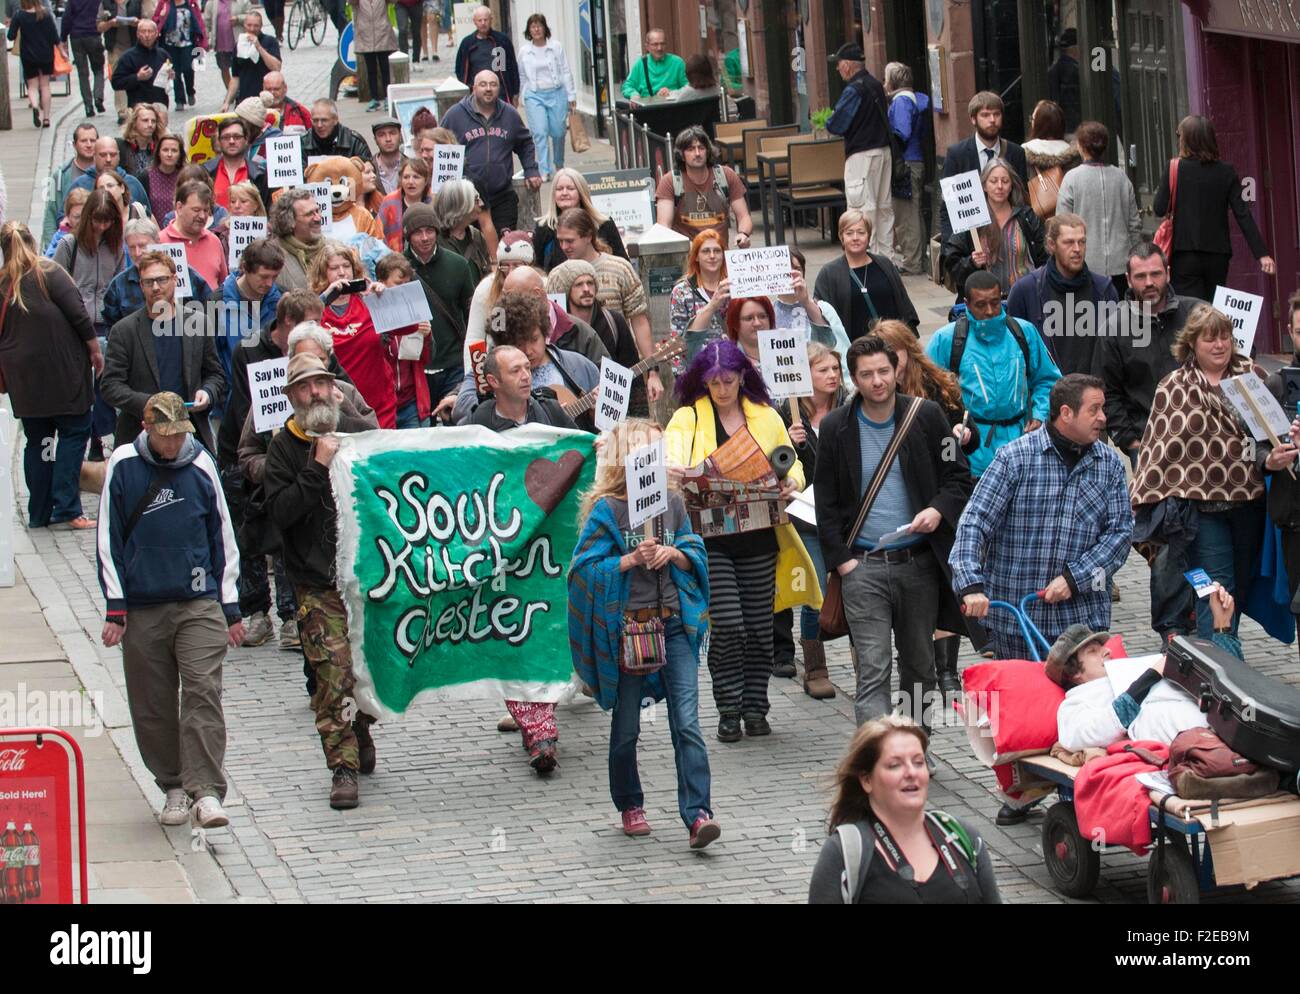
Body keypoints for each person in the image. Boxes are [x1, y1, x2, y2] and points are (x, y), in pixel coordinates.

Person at [569, 418, 720, 847]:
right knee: (628, 727)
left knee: (687, 722)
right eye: (650, 452)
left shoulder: (671, 503)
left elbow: (695, 550)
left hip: (674, 625)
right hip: (630, 632)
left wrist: (676, 552)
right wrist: (630, 560)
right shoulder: (608, 510)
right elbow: (583, 572)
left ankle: (698, 813)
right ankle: (630, 802)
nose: (660, 459)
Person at [97, 391, 244, 829]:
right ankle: (173, 784)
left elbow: (222, 533)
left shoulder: (200, 464)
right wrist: (115, 605)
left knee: (202, 692)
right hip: (143, 604)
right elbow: (108, 538)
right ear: (147, 430)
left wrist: (230, 606)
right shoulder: (123, 465)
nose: (172, 444)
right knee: (153, 702)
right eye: (165, 437)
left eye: (179, 435)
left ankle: (207, 792)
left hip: (198, 601)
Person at [813, 333, 976, 728]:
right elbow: (826, 501)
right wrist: (843, 562)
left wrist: (938, 510)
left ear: (896, 371)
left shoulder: (928, 417)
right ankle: (875, 752)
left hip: (917, 562)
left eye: (883, 371)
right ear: (854, 379)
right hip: (863, 566)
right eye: (866, 374)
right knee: (873, 666)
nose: (877, 381)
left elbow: (958, 476)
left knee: (920, 666)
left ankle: (915, 745)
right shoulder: (837, 427)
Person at [664, 339, 815, 741]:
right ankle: (728, 708)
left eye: (729, 380)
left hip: (761, 536)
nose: (722, 389)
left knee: (760, 628)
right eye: (714, 382)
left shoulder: (765, 416)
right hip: (710, 540)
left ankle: (755, 708)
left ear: (742, 377)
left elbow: (793, 463)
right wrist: (677, 470)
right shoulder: (687, 417)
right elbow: (671, 455)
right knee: (729, 626)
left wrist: (791, 482)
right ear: (703, 381)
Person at [262, 353, 380, 809]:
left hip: (366, 580)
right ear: (292, 397)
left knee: (367, 670)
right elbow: (281, 513)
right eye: (306, 387)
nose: (316, 394)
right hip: (316, 583)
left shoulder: (353, 434)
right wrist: (316, 467)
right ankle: (342, 766)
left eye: (323, 384)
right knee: (332, 674)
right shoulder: (283, 448)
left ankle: (362, 727)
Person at [951, 373, 1132, 660]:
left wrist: (1074, 579)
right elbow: (974, 521)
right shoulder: (1014, 457)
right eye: (1094, 409)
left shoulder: (1108, 464)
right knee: (1024, 702)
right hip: (1017, 622)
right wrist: (970, 584)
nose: (1103, 418)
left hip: (1082, 621)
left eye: (1103, 409)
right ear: (1066, 413)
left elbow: (1120, 534)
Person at [1132, 303, 1273, 639]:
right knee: (1215, 588)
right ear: (1192, 342)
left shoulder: (1253, 377)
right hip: (1202, 511)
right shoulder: (1174, 386)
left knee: (1238, 587)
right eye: (1210, 338)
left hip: (1250, 503)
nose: (1219, 345)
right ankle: (1217, 667)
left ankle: (1228, 654)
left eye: (1224, 337)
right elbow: (1159, 447)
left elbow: (1269, 433)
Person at [875, 319, 982, 695]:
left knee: (945, 579)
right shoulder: (875, 393)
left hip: (941, 495)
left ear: (907, 351)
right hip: (900, 497)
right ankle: (916, 660)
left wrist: (960, 436)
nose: (890, 365)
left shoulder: (938, 386)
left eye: (895, 356)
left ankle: (946, 667)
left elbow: (960, 447)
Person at [808, 716, 1001, 904]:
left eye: (918, 762)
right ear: (866, 780)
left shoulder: (961, 836)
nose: (911, 772)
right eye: (895, 765)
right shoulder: (845, 852)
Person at [0, 221, 102, 530]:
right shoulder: (49, 272)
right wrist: (95, 351)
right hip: (63, 374)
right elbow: (79, 314)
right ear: (32, 242)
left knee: (39, 441)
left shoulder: (3, 283)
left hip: (24, 380)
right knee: (73, 433)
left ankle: (39, 512)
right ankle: (68, 507)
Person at [1046, 598, 1244, 752]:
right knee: (1151, 717)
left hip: (1227, 714)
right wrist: (1150, 676)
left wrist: (1222, 627)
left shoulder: (1130, 669)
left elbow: (1228, 679)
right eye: (1092, 652)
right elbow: (1093, 732)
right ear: (1073, 673)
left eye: (1101, 648)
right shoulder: (1075, 704)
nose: (1106, 652)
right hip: (1206, 734)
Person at [924, 272, 1059, 480]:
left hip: (1020, 445)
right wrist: (951, 434)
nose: (989, 311)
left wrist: (1040, 415)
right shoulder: (946, 339)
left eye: (995, 303)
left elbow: (1048, 380)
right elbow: (927, 392)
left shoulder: (1024, 332)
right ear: (967, 304)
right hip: (970, 452)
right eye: (981, 305)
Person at [101, 249, 225, 453]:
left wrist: (207, 393)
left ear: (175, 280)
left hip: (190, 433)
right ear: (141, 286)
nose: (156, 287)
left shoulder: (198, 323)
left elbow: (215, 375)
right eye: (149, 282)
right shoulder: (124, 331)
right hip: (139, 436)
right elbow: (111, 386)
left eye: (162, 280)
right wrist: (151, 405)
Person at [1153, 115, 1275, 301]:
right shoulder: (1227, 171)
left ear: (1186, 139)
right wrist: (1262, 253)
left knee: (1189, 310)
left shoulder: (1174, 168)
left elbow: (1159, 209)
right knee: (1213, 310)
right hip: (1218, 255)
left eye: (1179, 135)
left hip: (1184, 253)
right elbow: (1243, 214)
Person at [784, 341, 844, 699]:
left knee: (854, 588)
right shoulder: (789, 416)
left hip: (844, 514)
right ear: (805, 376)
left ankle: (858, 656)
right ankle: (815, 666)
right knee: (816, 589)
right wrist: (790, 444)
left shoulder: (850, 410)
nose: (833, 376)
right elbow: (778, 464)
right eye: (824, 370)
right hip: (806, 517)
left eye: (835, 369)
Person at [555, 207, 662, 404]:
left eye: (570, 240)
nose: (564, 246)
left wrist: (652, 372)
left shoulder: (619, 268)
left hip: (617, 360)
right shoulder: (557, 275)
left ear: (588, 236)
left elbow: (639, 321)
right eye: (560, 241)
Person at [450, 288, 598, 426]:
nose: (528, 351)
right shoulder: (489, 369)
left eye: (534, 339)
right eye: (518, 343)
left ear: (545, 333)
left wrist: (595, 414)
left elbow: (610, 422)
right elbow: (462, 408)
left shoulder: (579, 365)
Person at [1007, 213, 1119, 376]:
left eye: (1082, 242)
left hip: (1094, 391)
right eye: (1068, 242)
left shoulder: (1103, 289)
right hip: (1046, 393)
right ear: (1051, 245)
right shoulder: (1025, 291)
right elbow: (1015, 353)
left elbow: (1114, 351)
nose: (1077, 249)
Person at [441, 70, 541, 233]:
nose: (488, 88)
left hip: (502, 196)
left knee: (505, 247)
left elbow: (525, 143)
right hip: (467, 198)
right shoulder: (455, 115)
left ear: (499, 89)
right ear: (473, 88)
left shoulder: (510, 115)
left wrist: (531, 169)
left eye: (493, 85)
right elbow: (441, 147)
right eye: (483, 84)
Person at [312, 243, 397, 429]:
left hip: (379, 405)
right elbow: (299, 329)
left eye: (346, 266)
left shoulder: (368, 301)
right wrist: (325, 298)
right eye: (334, 268)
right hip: (338, 407)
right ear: (322, 273)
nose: (342, 273)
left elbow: (409, 327)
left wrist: (387, 300)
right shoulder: (316, 309)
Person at [401, 203, 476, 414]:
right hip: (414, 368)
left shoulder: (458, 265)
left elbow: (470, 314)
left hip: (453, 364)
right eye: (418, 232)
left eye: (430, 230)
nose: (425, 237)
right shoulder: (397, 267)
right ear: (408, 235)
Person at [941, 158, 1046, 305]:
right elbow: (951, 262)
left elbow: (1044, 256)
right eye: (993, 181)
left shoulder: (1026, 217)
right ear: (984, 185)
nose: (1000, 186)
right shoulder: (972, 220)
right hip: (986, 303)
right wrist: (971, 262)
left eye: (1005, 181)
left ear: (1011, 186)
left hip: (1025, 299)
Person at [546, 259, 644, 416]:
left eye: (590, 283)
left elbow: (631, 369)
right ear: (566, 290)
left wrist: (637, 418)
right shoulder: (557, 328)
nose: (586, 289)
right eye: (578, 285)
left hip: (611, 411)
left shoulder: (613, 321)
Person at [826, 43, 894, 260]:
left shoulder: (855, 89)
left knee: (862, 209)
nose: (838, 69)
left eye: (839, 65)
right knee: (883, 207)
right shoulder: (875, 84)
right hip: (883, 152)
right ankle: (886, 257)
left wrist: (829, 119)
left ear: (847, 65)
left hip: (862, 156)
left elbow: (836, 124)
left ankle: (867, 260)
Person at [1056, 122, 1140, 297]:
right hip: (1121, 263)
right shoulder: (1121, 178)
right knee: (1121, 320)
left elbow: (1061, 223)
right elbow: (1134, 224)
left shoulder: (1071, 179)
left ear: (1080, 146)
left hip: (1084, 263)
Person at [938, 91, 1028, 244]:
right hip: (971, 241)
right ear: (973, 119)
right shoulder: (956, 155)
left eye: (996, 114)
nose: (992, 120)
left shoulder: (1016, 153)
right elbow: (948, 206)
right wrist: (950, 248)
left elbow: (1022, 200)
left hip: (1009, 237)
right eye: (985, 115)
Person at [813, 209, 919, 336]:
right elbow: (822, 318)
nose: (855, 238)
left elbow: (904, 306)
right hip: (854, 349)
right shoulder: (829, 274)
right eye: (849, 233)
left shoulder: (885, 265)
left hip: (890, 345)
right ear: (842, 237)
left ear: (869, 236)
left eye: (861, 232)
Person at [102, 217, 211, 326]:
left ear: (157, 242)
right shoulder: (118, 285)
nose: (137, 252)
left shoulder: (187, 275)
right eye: (132, 247)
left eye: (142, 245)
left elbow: (210, 308)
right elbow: (113, 329)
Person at [654, 127, 751, 247]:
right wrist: (690, 248)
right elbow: (664, 228)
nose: (697, 153)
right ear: (682, 155)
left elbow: (743, 216)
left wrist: (743, 234)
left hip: (720, 254)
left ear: (708, 151)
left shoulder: (726, 175)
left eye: (701, 148)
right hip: (687, 255)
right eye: (691, 149)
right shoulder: (670, 181)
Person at [52, 190, 126, 341]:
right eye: (97, 221)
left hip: (106, 324)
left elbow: (118, 286)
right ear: (88, 217)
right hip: (74, 324)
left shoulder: (116, 246)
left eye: (107, 221)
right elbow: (54, 285)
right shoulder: (68, 244)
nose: (102, 226)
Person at [373, 253, 432, 428]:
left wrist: (426, 337)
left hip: (411, 402)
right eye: (398, 284)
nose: (404, 289)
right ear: (382, 283)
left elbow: (426, 360)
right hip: (382, 404)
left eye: (407, 284)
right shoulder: (370, 312)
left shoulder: (416, 309)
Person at [884, 61, 930, 276]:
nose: (884, 83)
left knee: (906, 216)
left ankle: (912, 263)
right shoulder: (913, 99)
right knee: (913, 213)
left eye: (886, 78)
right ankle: (916, 259)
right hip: (914, 160)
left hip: (905, 163)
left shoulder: (901, 101)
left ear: (893, 81)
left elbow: (901, 131)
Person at [533, 168, 627, 272]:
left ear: (581, 192)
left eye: (570, 188)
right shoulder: (544, 227)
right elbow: (538, 269)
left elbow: (622, 262)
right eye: (559, 189)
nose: (564, 193)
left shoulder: (603, 223)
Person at [519, 13, 575, 181]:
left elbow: (565, 70)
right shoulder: (524, 51)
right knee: (540, 132)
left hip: (557, 93)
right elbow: (522, 75)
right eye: (533, 26)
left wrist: (571, 95)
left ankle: (559, 163)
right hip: (534, 95)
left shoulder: (556, 47)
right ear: (529, 30)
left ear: (545, 28)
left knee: (558, 132)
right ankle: (544, 169)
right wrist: (523, 96)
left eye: (539, 25)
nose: (536, 29)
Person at [467, 344, 573, 430]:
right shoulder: (480, 420)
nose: (526, 376)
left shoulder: (550, 410)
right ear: (494, 381)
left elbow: (579, 448)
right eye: (515, 371)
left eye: (527, 368)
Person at [669, 229, 730, 364]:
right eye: (706, 251)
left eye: (717, 251)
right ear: (696, 256)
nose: (712, 255)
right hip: (698, 367)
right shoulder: (682, 291)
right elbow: (677, 338)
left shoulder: (734, 286)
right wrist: (680, 377)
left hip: (732, 364)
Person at [159, 180, 228, 292]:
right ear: (179, 208)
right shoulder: (160, 242)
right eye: (196, 210)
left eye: (206, 210)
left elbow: (223, 286)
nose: (202, 216)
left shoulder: (214, 241)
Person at [1021, 100, 1080, 222]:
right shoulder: (1075, 155)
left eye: (1032, 119)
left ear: (1037, 124)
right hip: (1070, 219)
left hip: (1037, 220)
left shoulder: (1024, 153)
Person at [432, 179, 497, 283]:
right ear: (460, 205)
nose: (481, 203)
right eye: (476, 200)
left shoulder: (476, 236)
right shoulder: (433, 240)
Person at [7, 0, 59, 127]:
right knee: (45, 86)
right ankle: (46, 118)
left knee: (32, 86)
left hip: (28, 55)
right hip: (46, 54)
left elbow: (10, 36)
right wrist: (62, 51)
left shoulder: (19, 15)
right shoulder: (46, 14)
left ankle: (35, 105)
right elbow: (54, 36)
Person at [454, 5, 519, 103]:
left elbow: (513, 67)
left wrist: (515, 92)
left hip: (500, 93)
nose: (483, 23)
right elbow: (459, 69)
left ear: (491, 20)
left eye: (486, 20)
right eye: (480, 20)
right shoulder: (467, 43)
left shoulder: (502, 40)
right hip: (476, 94)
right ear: (474, 21)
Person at [69, 135, 152, 211]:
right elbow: (64, 216)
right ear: (94, 157)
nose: (108, 159)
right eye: (103, 155)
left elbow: (147, 215)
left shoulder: (133, 183)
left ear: (119, 156)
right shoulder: (80, 184)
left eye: (112, 155)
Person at [267, 188, 326, 291]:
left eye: (317, 211)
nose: (318, 218)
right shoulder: (271, 257)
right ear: (290, 221)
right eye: (309, 214)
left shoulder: (333, 248)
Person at [221, 10, 280, 111]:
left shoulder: (270, 41)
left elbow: (276, 68)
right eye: (249, 25)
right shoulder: (239, 44)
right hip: (244, 101)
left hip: (265, 100)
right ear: (244, 25)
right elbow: (235, 77)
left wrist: (259, 47)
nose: (252, 29)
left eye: (256, 26)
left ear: (261, 26)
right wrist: (227, 102)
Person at [206, 117, 270, 210]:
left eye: (237, 137)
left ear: (246, 140)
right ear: (219, 141)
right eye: (226, 137)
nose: (231, 141)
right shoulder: (205, 171)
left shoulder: (261, 174)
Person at [151, 0, 205, 110]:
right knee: (175, 72)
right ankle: (179, 100)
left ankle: (190, 91)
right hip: (169, 44)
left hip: (188, 43)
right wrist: (161, 16)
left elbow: (199, 21)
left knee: (188, 69)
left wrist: (203, 39)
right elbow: (155, 20)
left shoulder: (191, 3)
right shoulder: (164, 3)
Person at [110, 18, 172, 108]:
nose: (147, 35)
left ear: (156, 34)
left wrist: (171, 75)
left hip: (160, 104)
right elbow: (116, 83)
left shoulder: (163, 54)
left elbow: (171, 76)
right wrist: (137, 77)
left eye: (150, 31)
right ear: (138, 34)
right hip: (138, 106)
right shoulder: (128, 57)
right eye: (143, 31)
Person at [62, 0, 108, 118]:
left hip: (76, 37)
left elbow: (67, 18)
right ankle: (98, 97)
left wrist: (63, 37)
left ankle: (88, 106)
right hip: (93, 35)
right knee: (98, 70)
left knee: (83, 74)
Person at [377, 156, 431, 250]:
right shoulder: (389, 202)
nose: (410, 182)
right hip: (395, 259)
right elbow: (377, 234)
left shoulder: (433, 202)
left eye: (416, 177)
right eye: (406, 177)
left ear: (425, 180)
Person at [353, 0, 397, 111]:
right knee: (371, 70)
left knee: (385, 69)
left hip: (382, 34)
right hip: (366, 36)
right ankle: (374, 98)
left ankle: (388, 97)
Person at [619, 27, 684, 101]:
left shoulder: (677, 62)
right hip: (649, 109)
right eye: (655, 44)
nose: (659, 48)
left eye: (662, 44)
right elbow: (626, 86)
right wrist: (633, 94)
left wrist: (672, 93)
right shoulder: (640, 64)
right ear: (647, 46)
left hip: (673, 108)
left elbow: (689, 88)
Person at [302, 99, 373, 162]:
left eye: (324, 120)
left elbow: (368, 171)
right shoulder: (303, 142)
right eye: (315, 120)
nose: (319, 125)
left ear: (335, 120)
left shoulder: (354, 142)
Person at [204, 0, 248, 92]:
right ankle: (231, 92)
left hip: (238, 42)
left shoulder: (242, 1)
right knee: (224, 68)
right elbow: (206, 22)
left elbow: (251, 16)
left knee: (242, 68)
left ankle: (242, 90)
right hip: (220, 42)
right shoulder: (211, 3)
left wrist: (238, 18)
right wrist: (206, 38)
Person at [144, 132, 185, 223]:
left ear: (180, 154)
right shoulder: (146, 176)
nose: (169, 154)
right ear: (158, 152)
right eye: (165, 150)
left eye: (174, 150)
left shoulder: (186, 176)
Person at [47, 188, 90, 259]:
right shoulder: (61, 234)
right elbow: (49, 261)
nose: (82, 221)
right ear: (68, 217)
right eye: (77, 217)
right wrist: (63, 235)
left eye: (86, 215)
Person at [370, 118, 403, 195]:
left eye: (393, 133)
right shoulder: (368, 169)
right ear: (375, 140)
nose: (388, 139)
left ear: (400, 136)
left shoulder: (412, 166)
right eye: (381, 135)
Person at [393, 0, 423, 67]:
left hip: (416, 3)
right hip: (400, 3)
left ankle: (416, 60)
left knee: (416, 32)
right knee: (402, 30)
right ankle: (405, 60)